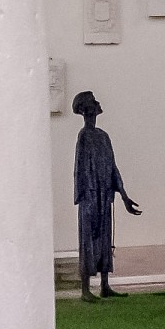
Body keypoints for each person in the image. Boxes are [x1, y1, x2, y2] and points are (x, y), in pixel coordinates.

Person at [71, 91, 140, 302]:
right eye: (93, 102)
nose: (98, 104)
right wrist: (83, 197)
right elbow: (79, 169)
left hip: (104, 196)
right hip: (90, 197)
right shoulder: (84, 136)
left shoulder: (103, 137)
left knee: (104, 238)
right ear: (85, 109)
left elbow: (112, 168)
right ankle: (85, 289)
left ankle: (104, 285)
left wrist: (124, 196)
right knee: (88, 240)